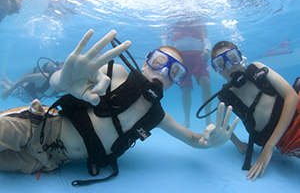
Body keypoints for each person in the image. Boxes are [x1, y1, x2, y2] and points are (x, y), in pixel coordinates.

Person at [0, 29, 238, 186]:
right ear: (146, 62)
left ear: (175, 82)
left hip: (48, 161)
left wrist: (211, 142)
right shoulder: (116, 73)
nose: (163, 72)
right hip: (35, 127)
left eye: (174, 72)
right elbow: (69, 80)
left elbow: (194, 140)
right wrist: (60, 81)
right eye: (159, 62)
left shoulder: (156, 116)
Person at [210, 41, 300, 181]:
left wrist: (269, 146)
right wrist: (238, 143)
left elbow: (292, 96)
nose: (229, 66)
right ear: (218, 70)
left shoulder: (257, 69)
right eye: (220, 63)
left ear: (240, 58)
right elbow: (221, 124)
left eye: (232, 58)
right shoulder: (225, 97)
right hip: (285, 140)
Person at [163, 20, 213, 127]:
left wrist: (207, 49)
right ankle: (187, 121)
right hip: (180, 56)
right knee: (185, 89)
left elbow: (205, 36)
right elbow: (165, 39)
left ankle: (208, 118)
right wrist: (167, 53)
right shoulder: (174, 22)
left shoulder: (198, 22)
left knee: (206, 82)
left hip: (198, 54)